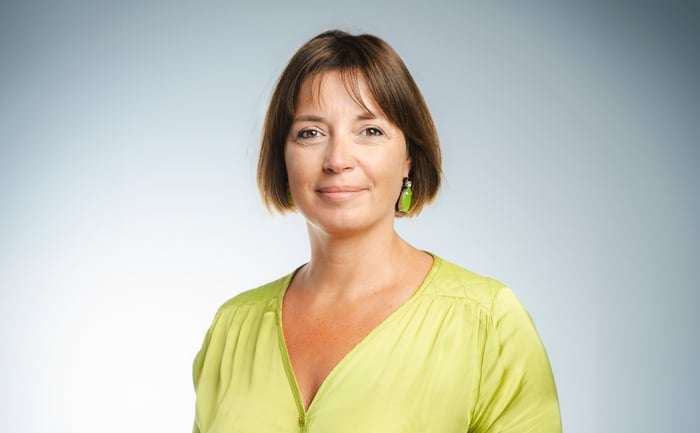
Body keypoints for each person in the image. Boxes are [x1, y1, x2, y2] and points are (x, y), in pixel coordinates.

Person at [192, 29, 561, 433]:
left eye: (370, 131)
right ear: (282, 157)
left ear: (409, 158)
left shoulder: (487, 321)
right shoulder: (232, 329)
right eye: (310, 133)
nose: (337, 160)